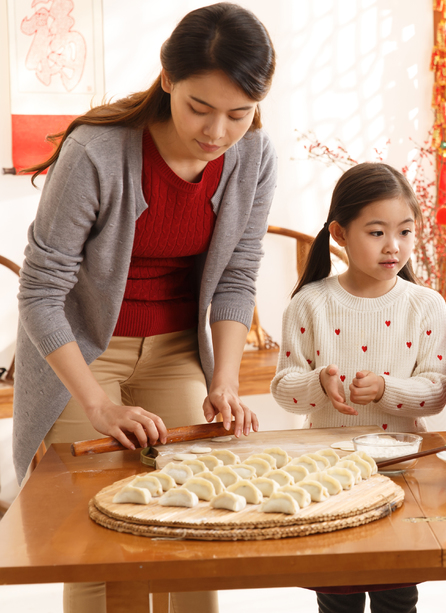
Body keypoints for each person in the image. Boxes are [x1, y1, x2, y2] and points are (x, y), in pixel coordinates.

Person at [13, 3, 276, 612]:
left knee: (196, 524)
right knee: (95, 545)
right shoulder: (97, 151)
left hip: (178, 352)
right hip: (83, 355)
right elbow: (41, 290)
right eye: (199, 109)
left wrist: (227, 381)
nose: (218, 133)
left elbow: (238, 275)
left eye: (240, 114)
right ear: (167, 79)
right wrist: (99, 404)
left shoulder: (254, 157)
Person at [271, 162, 446, 613]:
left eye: (406, 231)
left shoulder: (426, 305)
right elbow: (283, 387)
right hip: (328, 475)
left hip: (400, 472)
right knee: (338, 596)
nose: (394, 246)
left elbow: (438, 390)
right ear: (340, 233)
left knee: (397, 596)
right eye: (376, 232)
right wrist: (319, 382)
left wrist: (387, 389)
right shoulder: (310, 303)